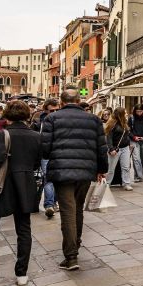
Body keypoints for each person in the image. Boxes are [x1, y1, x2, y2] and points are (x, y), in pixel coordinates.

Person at [40, 87, 107, 271]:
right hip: (86, 171)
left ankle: (71, 257)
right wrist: (102, 169)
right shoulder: (93, 120)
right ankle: (75, 244)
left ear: (61, 102)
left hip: (62, 172)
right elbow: (102, 147)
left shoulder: (51, 118)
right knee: (77, 209)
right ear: (79, 101)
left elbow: (45, 150)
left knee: (68, 212)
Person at [0, 100, 40, 286]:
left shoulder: (1, 135)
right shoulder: (36, 136)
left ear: (8, 115)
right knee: (24, 229)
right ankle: (21, 274)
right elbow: (36, 162)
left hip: (2, 184)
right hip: (25, 183)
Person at [33, 99, 60, 218]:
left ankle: (53, 202)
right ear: (45, 110)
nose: (55, 112)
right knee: (49, 179)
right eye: (52, 110)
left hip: (60, 154)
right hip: (45, 156)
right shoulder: (39, 124)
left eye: (57, 110)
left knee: (58, 180)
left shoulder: (62, 121)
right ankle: (49, 205)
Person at [104, 107, 135, 191]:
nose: (126, 114)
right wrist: (111, 149)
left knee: (126, 167)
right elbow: (108, 137)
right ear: (120, 114)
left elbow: (126, 135)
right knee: (111, 168)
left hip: (125, 148)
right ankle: (107, 184)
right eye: (124, 112)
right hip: (115, 149)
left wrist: (129, 144)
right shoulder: (112, 123)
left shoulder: (124, 122)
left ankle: (126, 183)